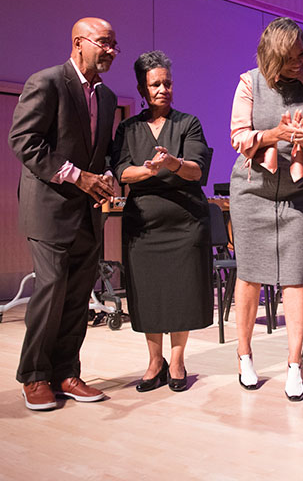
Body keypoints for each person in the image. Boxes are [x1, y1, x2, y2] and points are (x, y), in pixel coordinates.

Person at [8, 17, 119, 410]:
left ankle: (66, 373)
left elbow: (99, 152)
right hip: (50, 210)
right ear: (78, 42)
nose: (111, 51)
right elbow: (23, 140)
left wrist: (104, 176)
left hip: (88, 212)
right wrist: (79, 177)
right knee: (52, 289)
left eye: (114, 45)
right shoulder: (48, 82)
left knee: (77, 295)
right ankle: (34, 376)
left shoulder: (106, 97)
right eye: (104, 43)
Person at [229, 17, 303, 401]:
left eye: (302, 53)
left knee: (295, 276)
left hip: (299, 193)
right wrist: (273, 134)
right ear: (272, 58)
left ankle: (295, 365)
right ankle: (244, 356)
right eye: (290, 58)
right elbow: (238, 136)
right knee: (250, 273)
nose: (299, 63)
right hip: (253, 192)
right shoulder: (249, 83)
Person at [112, 50, 213, 393]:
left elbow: (197, 170)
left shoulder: (188, 123)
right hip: (144, 225)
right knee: (149, 293)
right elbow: (121, 171)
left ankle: (179, 359)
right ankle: (155, 361)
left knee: (182, 291)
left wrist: (172, 163)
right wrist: (147, 170)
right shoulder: (129, 127)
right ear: (142, 88)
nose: (163, 89)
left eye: (168, 83)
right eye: (156, 84)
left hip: (185, 222)